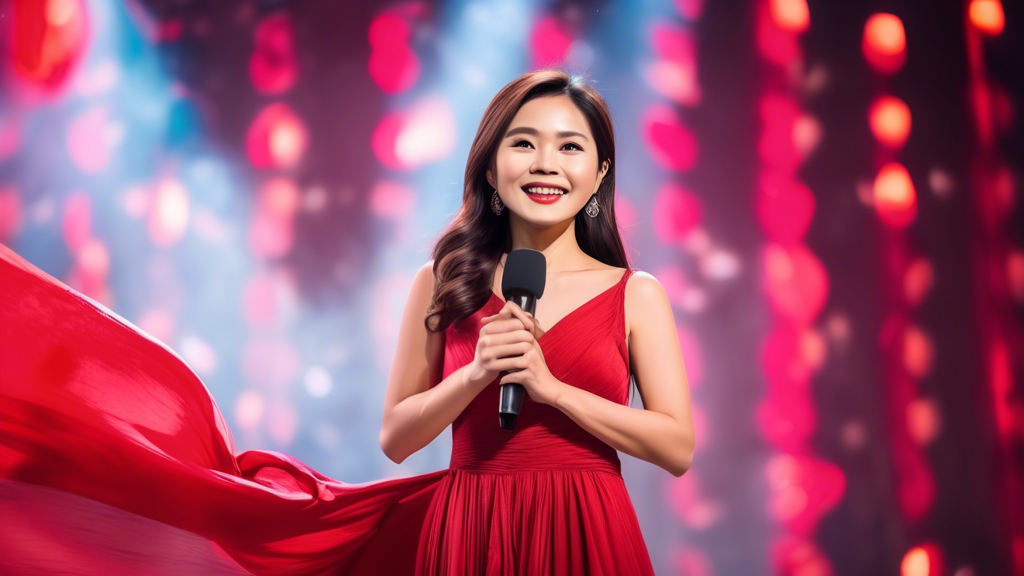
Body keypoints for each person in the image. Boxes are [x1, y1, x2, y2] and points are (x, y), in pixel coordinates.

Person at [0, 69, 694, 576]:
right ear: (490, 166)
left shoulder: (635, 295)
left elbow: (675, 445)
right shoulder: (441, 281)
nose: (547, 164)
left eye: (571, 147)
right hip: (467, 529)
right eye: (525, 144)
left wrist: (554, 390)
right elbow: (397, 437)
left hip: (588, 524)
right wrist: (479, 374)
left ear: (601, 172)